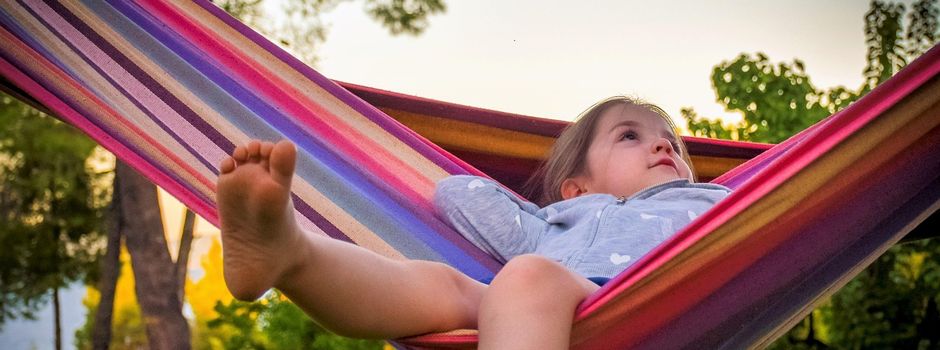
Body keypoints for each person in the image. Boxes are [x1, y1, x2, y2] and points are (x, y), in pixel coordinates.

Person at [215, 96, 731, 349]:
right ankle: (290, 253)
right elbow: (456, 194)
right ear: (576, 186)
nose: (662, 144)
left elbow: (758, 230)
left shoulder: (712, 200)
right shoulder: (555, 222)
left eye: (672, 142)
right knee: (450, 286)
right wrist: (540, 212)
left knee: (526, 276)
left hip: (651, 298)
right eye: (629, 136)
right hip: (524, 315)